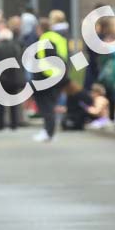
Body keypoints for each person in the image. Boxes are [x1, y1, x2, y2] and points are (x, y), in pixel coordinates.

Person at [32, 10, 70, 142]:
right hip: (59, 76)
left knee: (46, 106)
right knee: (50, 105)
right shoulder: (58, 37)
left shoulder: (46, 38)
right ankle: (48, 131)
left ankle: (48, 132)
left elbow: (47, 57)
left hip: (46, 77)